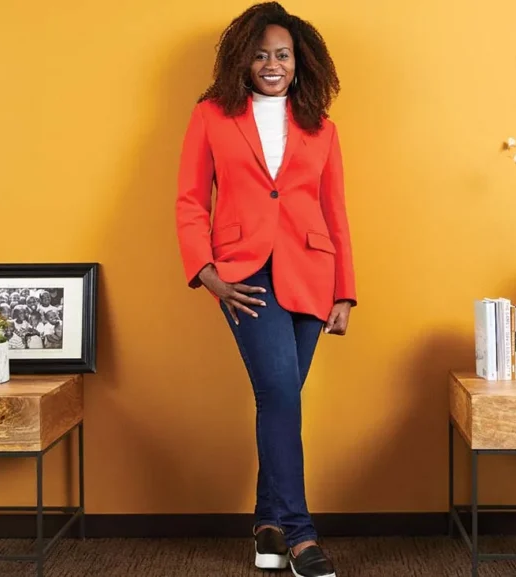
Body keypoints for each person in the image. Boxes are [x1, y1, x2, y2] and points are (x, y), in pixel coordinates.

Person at [174, 3, 355, 576]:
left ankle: (267, 523)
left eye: (282, 55)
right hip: (244, 276)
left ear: (300, 62)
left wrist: (345, 292)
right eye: (260, 55)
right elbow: (189, 200)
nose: (272, 65)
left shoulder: (321, 127)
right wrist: (208, 274)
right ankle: (300, 534)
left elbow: (335, 212)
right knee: (278, 393)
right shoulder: (211, 116)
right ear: (241, 61)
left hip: (312, 274)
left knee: (281, 400)